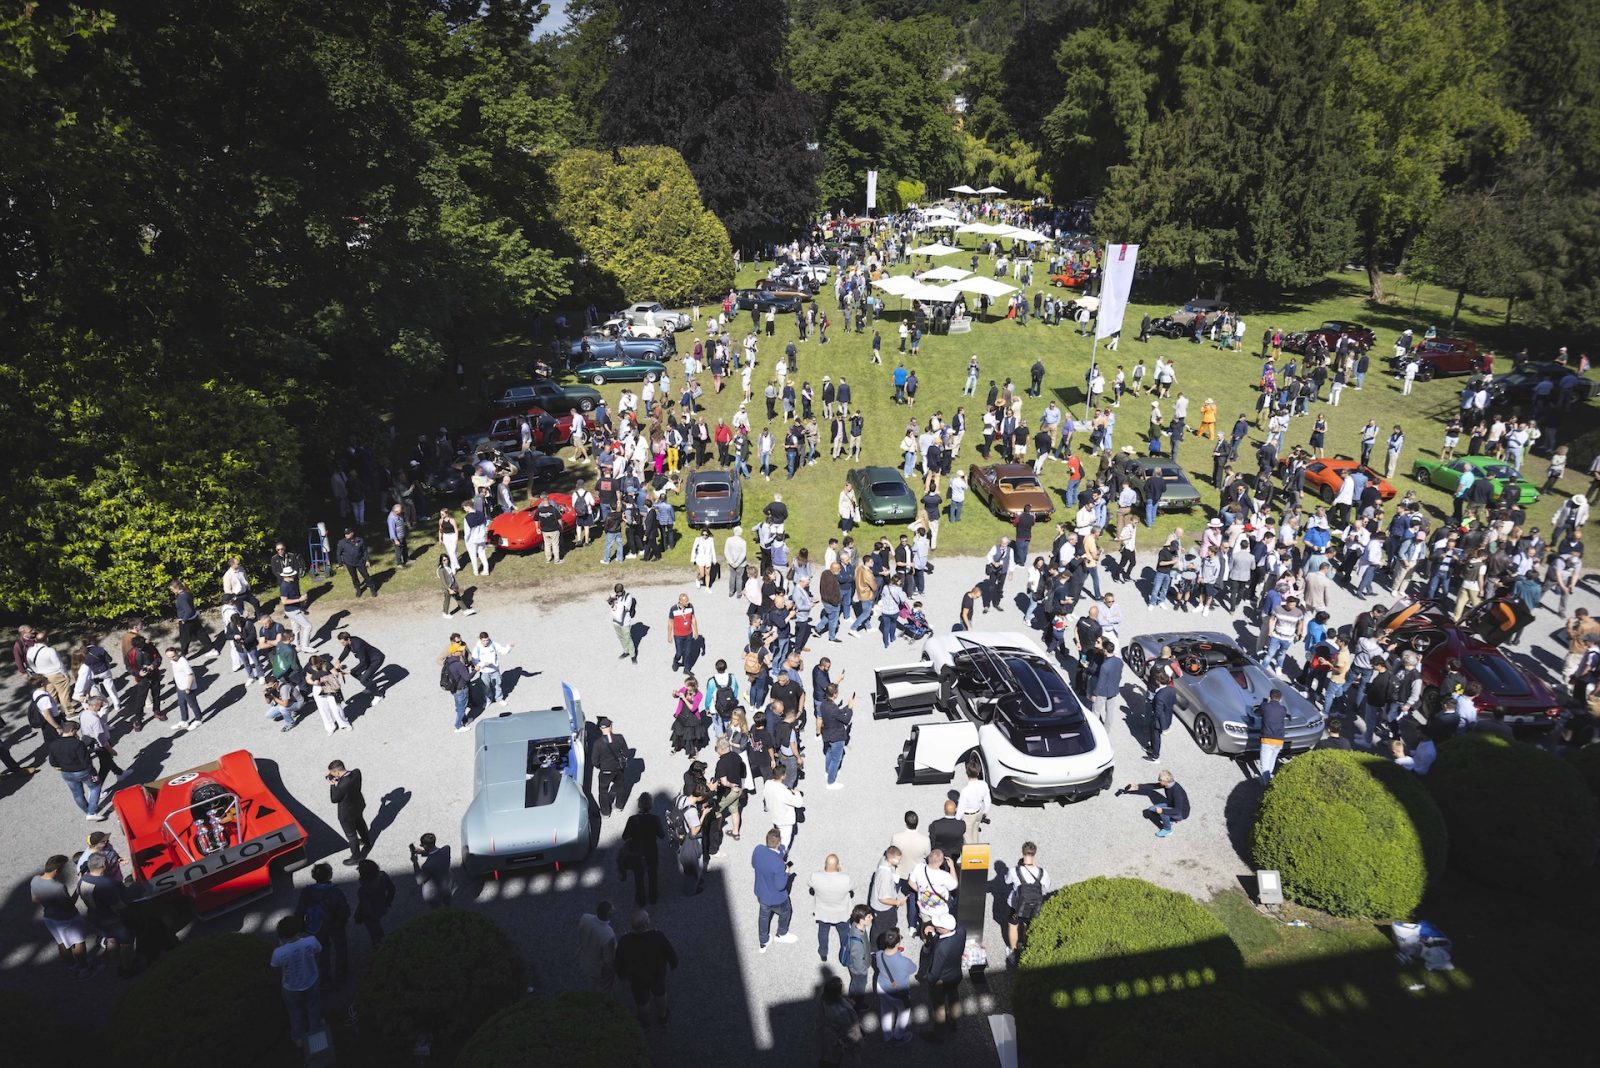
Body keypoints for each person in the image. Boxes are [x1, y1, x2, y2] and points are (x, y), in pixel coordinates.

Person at [614, 910, 679, 1027]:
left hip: (637, 978)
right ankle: (663, 1017)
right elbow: (669, 951)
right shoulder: (658, 936)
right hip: (656, 974)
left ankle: (644, 1023)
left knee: (642, 1001)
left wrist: (622, 975)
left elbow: (619, 960)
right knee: (660, 994)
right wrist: (673, 963)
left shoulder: (625, 940)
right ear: (646, 924)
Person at [33, 855, 92, 978]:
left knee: (62, 942)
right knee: (78, 941)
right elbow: (70, 904)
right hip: (68, 918)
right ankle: (84, 969)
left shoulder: (35, 880)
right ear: (57, 870)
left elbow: (35, 899)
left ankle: (71, 966)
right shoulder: (58, 887)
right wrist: (78, 887)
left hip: (49, 917)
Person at [272, 915, 324, 1048]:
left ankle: (298, 1038)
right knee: (313, 1007)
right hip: (311, 980)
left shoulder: (279, 952)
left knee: (294, 1012)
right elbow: (318, 952)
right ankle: (315, 1033)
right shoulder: (311, 941)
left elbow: (276, 967)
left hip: (291, 987)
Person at [295, 862, 351, 984]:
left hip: (317, 925)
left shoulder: (307, 891)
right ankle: (341, 973)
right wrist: (342, 922)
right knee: (340, 946)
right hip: (334, 924)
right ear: (329, 875)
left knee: (323, 950)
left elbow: (300, 909)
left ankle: (326, 980)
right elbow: (343, 910)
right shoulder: (335, 891)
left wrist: (301, 925)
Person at [48, 720, 106, 820]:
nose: (77, 733)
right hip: (82, 771)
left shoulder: (53, 744)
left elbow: (53, 762)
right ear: (72, 730)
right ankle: (91, 812)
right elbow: (86, 761)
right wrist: (93, 773)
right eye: (76, 730)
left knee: (77, 794)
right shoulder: (78, 744)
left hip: (66, 773)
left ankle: (88, 810)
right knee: (95, 787)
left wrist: (63, 767)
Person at [752, 828, 797, 951]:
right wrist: (786, 872)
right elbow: (780, 886)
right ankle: (781, 934)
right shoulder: (778, 864)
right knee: (786, 911)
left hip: (761, 892)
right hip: (776, 898)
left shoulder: (758, 849)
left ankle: (763, 941)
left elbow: (754, 864)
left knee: (763, 916)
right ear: (778, 842)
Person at [923, 910, 967, 1033]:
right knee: (954, 998)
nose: (934, 926)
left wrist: (929, 980)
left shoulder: (941, 948)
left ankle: (938, 1033)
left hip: (941, 980)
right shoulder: (961, 932)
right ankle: (953, 1023)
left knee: (939, 1006)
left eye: (937, 926)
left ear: (944, 929)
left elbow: (935, 972)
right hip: (956, 974)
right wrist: (934, 933)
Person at [1006, 841, 1051, 957]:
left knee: (1013, 925)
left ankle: (1013, 952)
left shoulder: (1014, 871)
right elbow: (1047, 886)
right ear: (1034, 854)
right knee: (1027, 924)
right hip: (1033, 905)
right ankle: (1024, 945)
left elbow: (1007, 881)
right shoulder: (1042, 873)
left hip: (1016, 905)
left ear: (1023, 853)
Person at [809, 853, 855, 963]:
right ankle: (845, 951)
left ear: (825, 864)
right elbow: (854, 886)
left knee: (823, 932)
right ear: (838, 865)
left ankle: (823, 953)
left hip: (823, 912)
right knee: (844, 932)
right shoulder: (845, 879)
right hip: (841, 913)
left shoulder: (815, 876)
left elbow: (809, 884)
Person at [621, 794, 665, 906]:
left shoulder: (632, 819)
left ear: (639, 805)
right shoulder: (655, 819)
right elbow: (662, 835)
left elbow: (625, 836)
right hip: (651, 851)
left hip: (637, 851)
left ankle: (641, 899)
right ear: (650, 805)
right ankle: (653, 897)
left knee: (638, 877)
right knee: (652, 875)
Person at [327, 760, 370, 865]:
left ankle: (356, 857)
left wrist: (332, 785)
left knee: (351, 835)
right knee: (360, 823)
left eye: (332, 773)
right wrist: (339, 780)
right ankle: (367, 841)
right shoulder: (356, 772)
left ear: (337, 772)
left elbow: (334, 799)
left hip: (346, 813)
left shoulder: (341, 786)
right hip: (358, 805)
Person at [1121, 771, 1190, 837]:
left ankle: (1168, 830)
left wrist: (1162, 810)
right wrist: (1138, 786)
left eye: (1160, 780)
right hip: (1172, 805)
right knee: (1151, 809)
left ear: (1166, 781)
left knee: (1163, 812)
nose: (1159, 782)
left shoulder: (1177, 792)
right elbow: (1153, 786)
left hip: (1181, 813)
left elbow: (1177, 810)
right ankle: (1169, 819)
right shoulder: (1168, 784)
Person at [816, 974, 864, 1067]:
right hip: (839, 1043)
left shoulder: (823, 999)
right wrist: (857, 1042)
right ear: (837, 993)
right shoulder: (842, 1012)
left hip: (826, 1038)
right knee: (838, 1060)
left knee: (826, 1057)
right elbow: (849, 1030)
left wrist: (847, 1004)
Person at [591, 716, 631, 818]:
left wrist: (601, 766)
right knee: (620, 787)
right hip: (618, 768)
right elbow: (626, 752)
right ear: (611, 727)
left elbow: (594, 761)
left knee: (603, 791)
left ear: (601, 729)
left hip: (605, 770)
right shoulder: (619, 738)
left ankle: (605, 812)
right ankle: (619, 806)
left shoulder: (597, 743)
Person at [576, 899, 618, 991]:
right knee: (603, 986)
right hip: (597, 966)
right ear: (609, 914)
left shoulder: (585, 917)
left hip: (583, 956)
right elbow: (608, 960)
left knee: (591, 982)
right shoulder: (608, 934)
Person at [353, 860, 396, 946]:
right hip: (382, 906)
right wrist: (387, 902)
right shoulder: (383, 876)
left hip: (372, 914)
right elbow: (392, 890)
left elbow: (367, 909)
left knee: (376, 933)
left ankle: (380, 944)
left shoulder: (362, 891)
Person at [335, 631, 387, 701]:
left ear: (348, 639)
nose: (342, 644)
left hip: (376, 660)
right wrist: (339, 661)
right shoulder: (350, 642)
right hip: (368, 659)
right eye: (341, 643)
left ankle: (378, 695)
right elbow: (346, 650)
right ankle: (370, 685)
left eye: (343, 642)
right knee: (355, 673)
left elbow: (363, 662)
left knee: (363, 680)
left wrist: (350, 670)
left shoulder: (357, 646)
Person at [410, 832, 452, 908]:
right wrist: (423, 852)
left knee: (437, 909)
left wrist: (415, 862)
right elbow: (436, 853)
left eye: (422, 844)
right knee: (448, 903)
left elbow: (419, 880)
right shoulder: (446, 849)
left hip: (433, 893)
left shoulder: (427, 866)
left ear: (425, 846)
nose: (421, 846)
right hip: (447, 885)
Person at [957, 756, 990, 842]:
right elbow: (987, 800)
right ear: (978, 772)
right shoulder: (984, 784)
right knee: (975, 834)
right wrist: (985, 811)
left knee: (968, 839)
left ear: (967, 772)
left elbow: (961, 809)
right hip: (978, 813)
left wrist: (956, 820)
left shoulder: (965, 791)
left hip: (968, 817)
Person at [1258, 688, 1288, 782]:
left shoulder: (1265, 707)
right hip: (1279, 740)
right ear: (1280, 699)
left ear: (1269, 697)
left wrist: (1265, 701)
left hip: (1267, 740)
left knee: (1264, 764)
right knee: (1272, 760)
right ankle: (1268, 779)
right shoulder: (1283, 709)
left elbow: (1260, 710)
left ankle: (1267, 783)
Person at [1144, 673, 1176, 762]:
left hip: (1158, 721)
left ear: (1158, 681)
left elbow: (1159, 712)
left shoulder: (1159, 696)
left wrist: (1161, 725)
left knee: (1156, 737)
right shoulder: (1172, 690)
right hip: (1167, 717)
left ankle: (1155, 756)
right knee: (1154, 736)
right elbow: (1173, 701)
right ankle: (1152, 748)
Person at [335, 527, 374, 596]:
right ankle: (358, 589)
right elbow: (338, 554)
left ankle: (372, 587)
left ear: (352, 533)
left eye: (348, 534)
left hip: (360, 561)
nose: (346, 535)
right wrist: (340, 564)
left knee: (365, 575)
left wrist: (367, 560)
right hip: (349, 563)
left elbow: (364, 551)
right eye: (345, 534)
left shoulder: (359, 540)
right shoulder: (341, 543)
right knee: (354, 577)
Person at [668, 593, 701, 673]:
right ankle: (675, 661)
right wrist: (669, 635)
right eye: (686, 601)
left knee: (688, 653)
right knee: (679, 653)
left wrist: (696, 631)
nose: (688, 602)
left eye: (688, 600)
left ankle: (686, 669)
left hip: (688, 633)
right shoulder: (673, 609)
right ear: (680, 601)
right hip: (678, 635)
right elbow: (670, 622)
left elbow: (693, 619)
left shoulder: (690, 607)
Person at [438, 552, 474, 618]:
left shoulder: (448, 567)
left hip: (453, 586)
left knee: (458, 598)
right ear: (441, 561)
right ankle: (445, 613)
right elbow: (443, 582)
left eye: (447, 559)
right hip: (447, 588)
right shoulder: (441, 570)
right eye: (444, 560)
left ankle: (465, 610)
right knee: (447, 600)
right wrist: (449, 590)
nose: (446, 561)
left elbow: (452, 577)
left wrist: (456, 585)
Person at [609, 582, 639, 663]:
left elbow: (625, 608)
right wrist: (610, 599)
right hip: (616, 621)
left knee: (628, 638)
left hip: (625, 622)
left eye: (619, 592)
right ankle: (626, 651)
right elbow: (611, 604)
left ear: (622, 591)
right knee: (620, 637)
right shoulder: (615, 596)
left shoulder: (628, 597)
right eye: (617, 592)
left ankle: (633, 655)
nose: (618, 594)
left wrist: (616, 601)